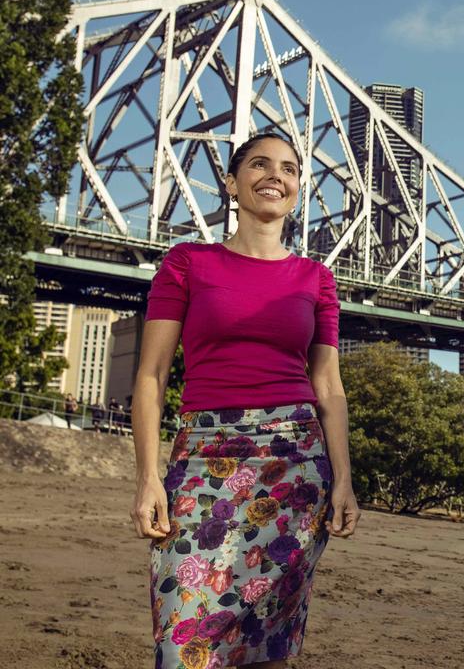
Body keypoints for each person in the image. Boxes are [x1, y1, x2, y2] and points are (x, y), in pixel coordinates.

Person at [130, 132, 361, 669]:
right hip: (201, 456)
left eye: (288, 168)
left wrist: (344, 479)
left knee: (266, 640)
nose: (274, 175)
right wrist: (146, 477)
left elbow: (328, 386)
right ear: (232, 184)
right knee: (181, 636)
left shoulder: (316, 279)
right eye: (258, 164)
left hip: (296, 463)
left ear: (298, 189)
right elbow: (152, 374)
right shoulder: (187, 263)